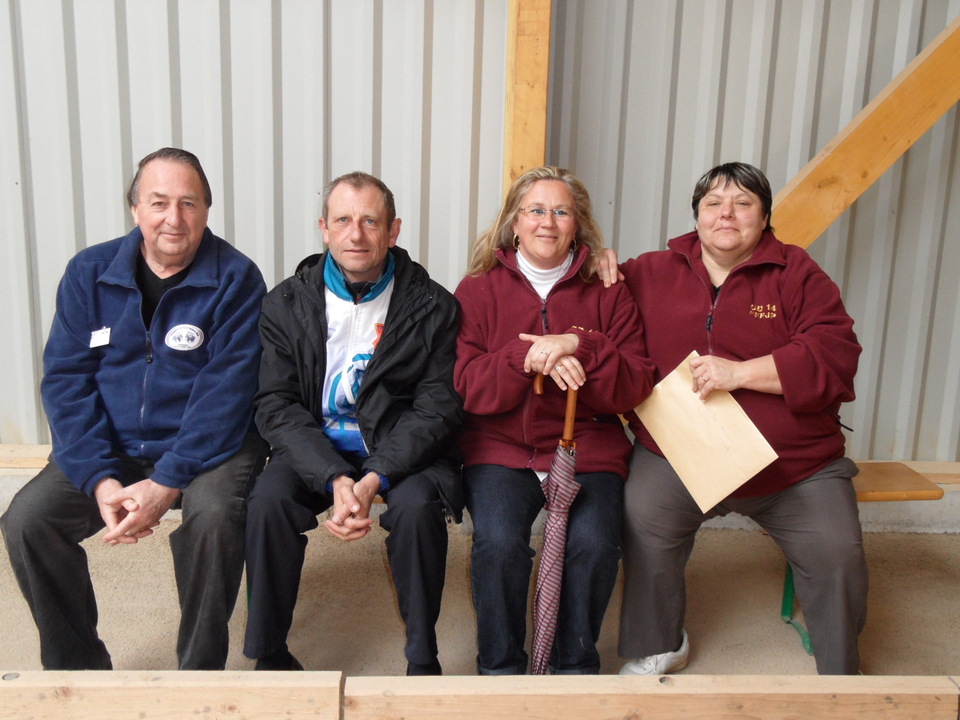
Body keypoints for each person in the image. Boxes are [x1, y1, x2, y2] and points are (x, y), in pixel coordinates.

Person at [1, 147, 269, 670]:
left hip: (209, 449)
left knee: (213, 520)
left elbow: (227, 394)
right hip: (114, 445)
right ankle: (78, 669)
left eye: (189, 204)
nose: (174, 218)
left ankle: (198, 674)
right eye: (159, 202)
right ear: (134, 209)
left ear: (207, 211)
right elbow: (65, 381)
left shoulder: (237, 279)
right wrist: (100, 479)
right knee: (28, 521)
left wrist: (166, 481)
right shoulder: (88, 272)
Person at [601, 162, 865, 675]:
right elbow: (585, 298)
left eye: (743, 203)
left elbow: (836, 353)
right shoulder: (649, 271)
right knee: (642, 518)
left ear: (764, 218)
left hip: (796, 466)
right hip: (677, 456)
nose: (727, 214)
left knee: (838, 550)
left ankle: (841, 668)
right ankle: (660, 641)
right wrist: (594, 256)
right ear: (695, 217)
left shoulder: (799, 273)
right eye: (713, 203)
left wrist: (740, 373)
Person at [243, 171, 462, 675]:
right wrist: (335, 476)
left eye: (370, 221)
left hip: (400, 446)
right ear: (324, 227)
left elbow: (438, 407)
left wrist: (373, 477)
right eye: (343, 220)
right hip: (318, 445)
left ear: (393, 230)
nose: (356, 234)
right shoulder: (287, 302)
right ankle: (269, 653)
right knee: (268, 503)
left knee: (416, 509)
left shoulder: (433, 305)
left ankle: (421, 658)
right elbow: (275, 403)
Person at [454, 166, 655, 675]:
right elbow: (467, 387)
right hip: (501, 448)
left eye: (561, 211)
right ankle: (500, 667)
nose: (548, 221)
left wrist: (579, 345)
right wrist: (525, 359)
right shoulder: (477, 289)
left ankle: (574, 666)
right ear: (514, 224)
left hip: (588, 445)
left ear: (578, 224)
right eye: (536, 210)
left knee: (594, 543)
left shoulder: (608, 289)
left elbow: (636, 383)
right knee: (498, 544)